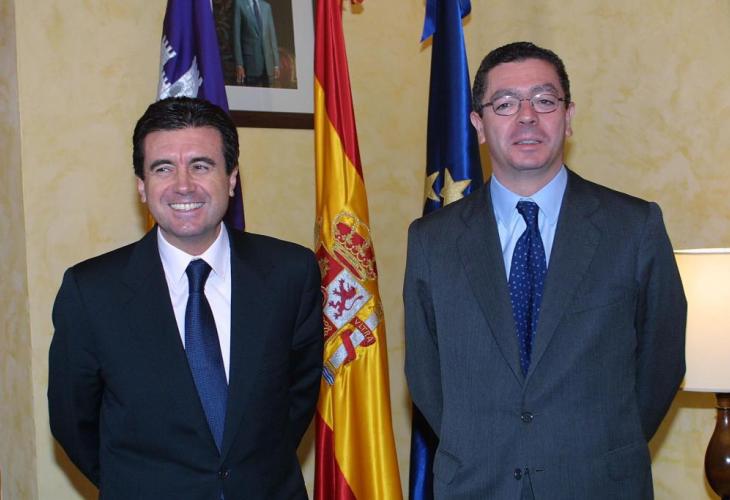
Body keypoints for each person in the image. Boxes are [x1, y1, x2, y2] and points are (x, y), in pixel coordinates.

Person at [404, 42, 686, 499]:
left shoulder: (633, 227)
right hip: (477, 484)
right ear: (479, 125)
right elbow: (425, 375)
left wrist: (601, 445)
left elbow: (662, 361)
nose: (527, 116)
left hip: (598, 484)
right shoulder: (431, 241)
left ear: (568, 116)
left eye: (544, 100)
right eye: (505, 104)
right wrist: (483, 446)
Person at [48, 97, 323, 499]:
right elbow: (73, 421)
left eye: (201, 165)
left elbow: (298, 398)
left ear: (231, 178)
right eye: (163, 168)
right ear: (142, 186)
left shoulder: (291, 273)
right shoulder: (91, 292)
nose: (183, 185)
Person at [233, 0, 279, 87]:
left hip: (268, 65)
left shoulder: (266, 6)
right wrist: (239, 64)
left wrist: (276, 64)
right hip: (250, 65)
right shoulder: (239, 4)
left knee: (268, 94)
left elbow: (272, 36)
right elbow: (236, 37)